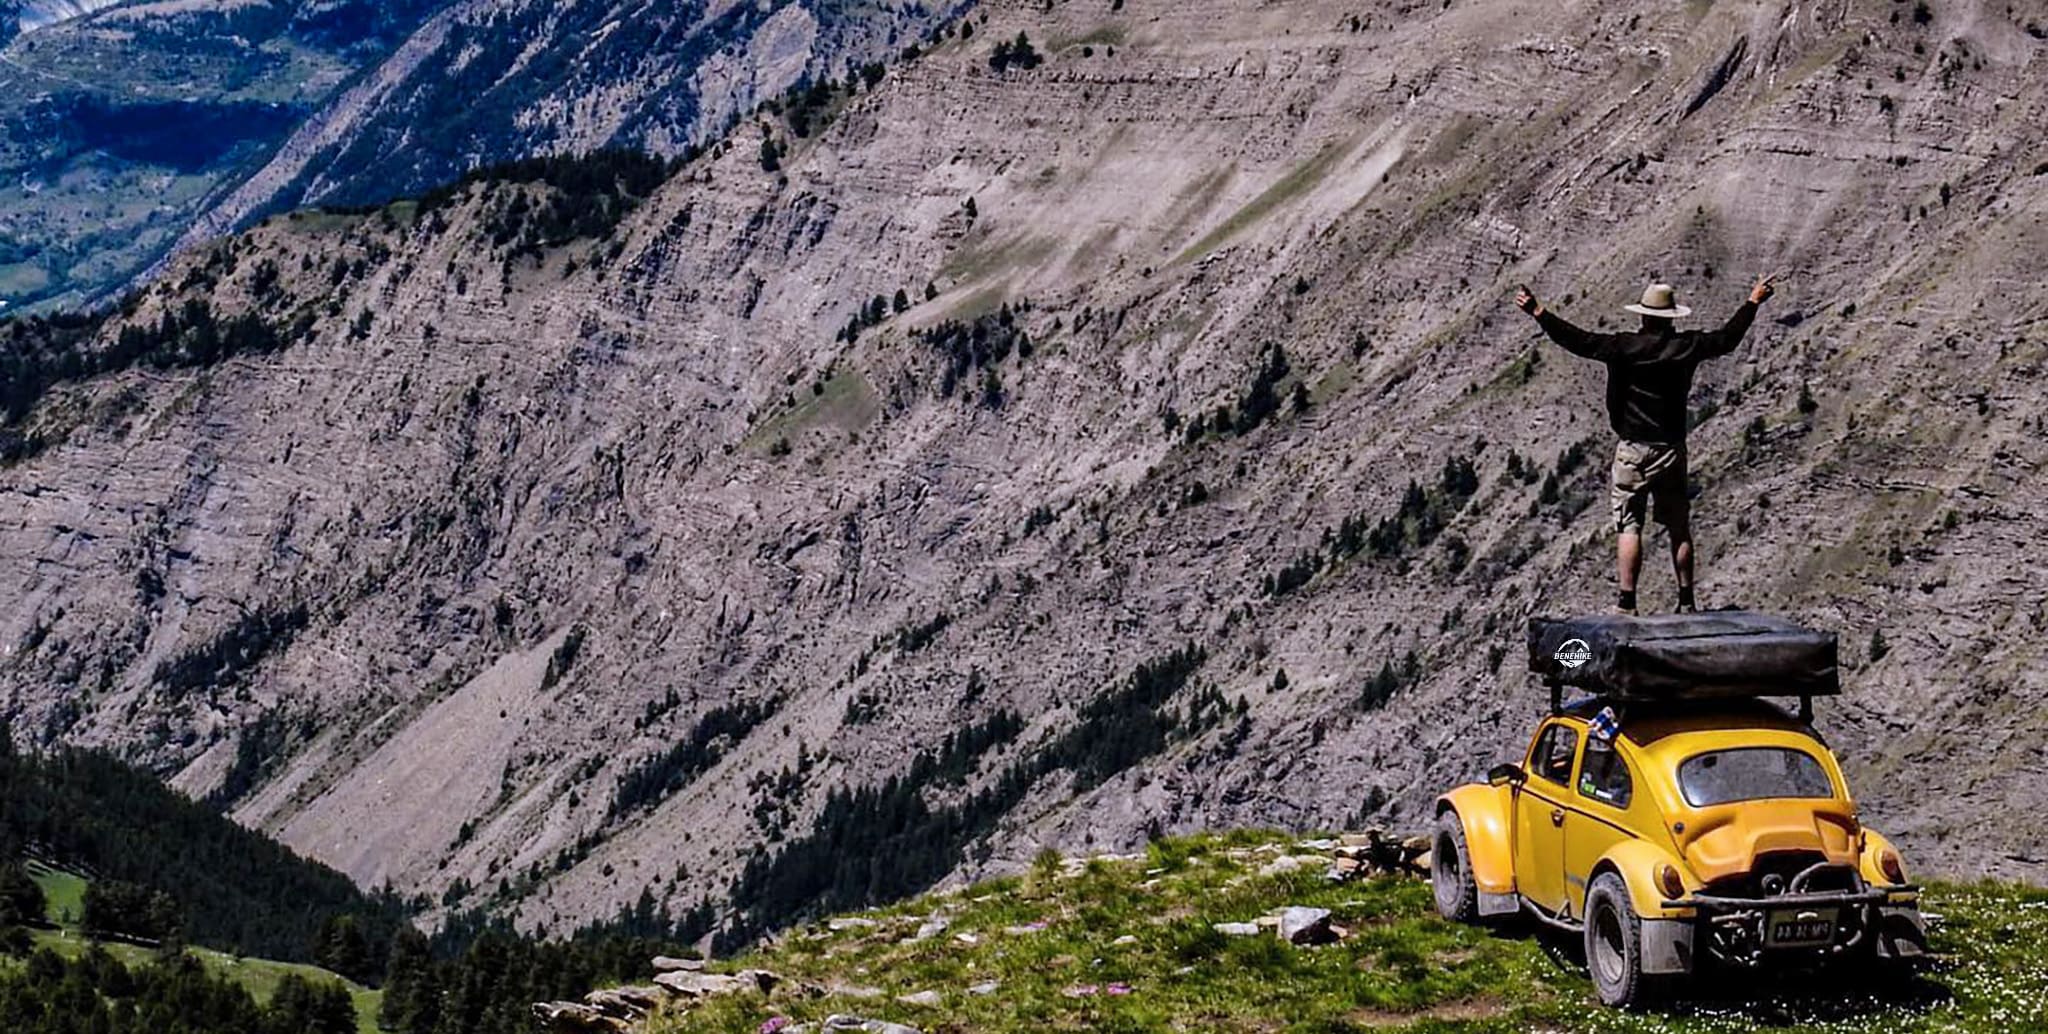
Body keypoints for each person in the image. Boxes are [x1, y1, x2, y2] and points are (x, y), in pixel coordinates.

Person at [1514, 274, 1776, 615]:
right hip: (1671, 448)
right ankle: (1686, 600)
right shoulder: (1687, 347)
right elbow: (1727, 339)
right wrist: (1752, 301)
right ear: (1671, 317)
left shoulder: (1624, 348)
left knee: (1629, 524)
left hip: (1634, 447)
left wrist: (1539, 312)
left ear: (1643, 315)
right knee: (1679, 525)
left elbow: (1579, 341)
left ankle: (1627, 602)